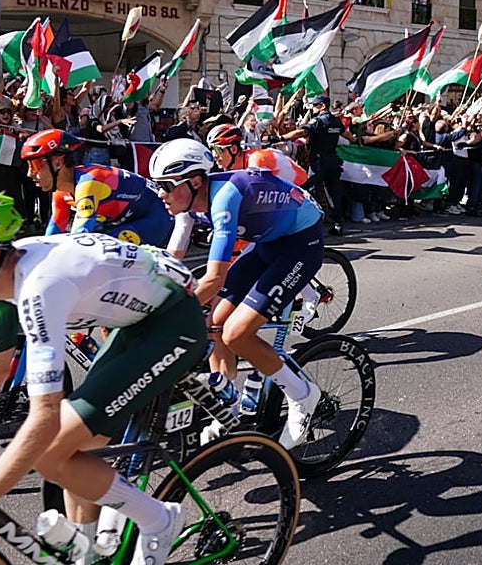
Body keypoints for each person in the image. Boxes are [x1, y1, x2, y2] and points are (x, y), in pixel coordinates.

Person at [0, 193, 205, 565]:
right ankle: (88, 553)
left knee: (51, 452)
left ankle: (159, 519)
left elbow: (42, 418)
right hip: (137, 321)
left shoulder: (40, 287)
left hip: (174, 325)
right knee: (78, 448)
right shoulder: (6, 273)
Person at [150, 138, 324, 450]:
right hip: (268, 243)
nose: (160, 193)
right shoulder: (187, 205)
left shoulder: (224, 198)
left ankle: (303, 395)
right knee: (214, 323)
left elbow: (215, 277)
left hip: (301, 243)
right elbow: (172, 259)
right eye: (156, 185)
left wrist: (166, 313)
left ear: (195, 181)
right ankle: (227, 407)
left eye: (165, 185)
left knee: (236, 334)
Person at [20, 129, 172, 246]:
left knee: (103, 253)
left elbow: (79, 239)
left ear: (58, 162)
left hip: (156, 217)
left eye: (35, 165)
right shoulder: (61, 192)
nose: (29, 174)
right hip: (129, 220)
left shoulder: (88, 183)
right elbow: (53, 234)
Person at [281, 95, 345, 235]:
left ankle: (308, 224)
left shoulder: (318, 121)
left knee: (307, 191)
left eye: (315, 106)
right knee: (333, 194)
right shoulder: (336, 121)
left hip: (319, 162)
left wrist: (281, 138)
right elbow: (349, 136)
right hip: (333, 161)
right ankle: (338, 224)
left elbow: (302, 132)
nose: (313, 108)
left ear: (322, 106)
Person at [206, 122, 308, 185]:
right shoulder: (234, 165)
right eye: (212, 149)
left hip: (303, 191)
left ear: (233, 149)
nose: (214, 155)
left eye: (218, 149)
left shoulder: (256, 160)